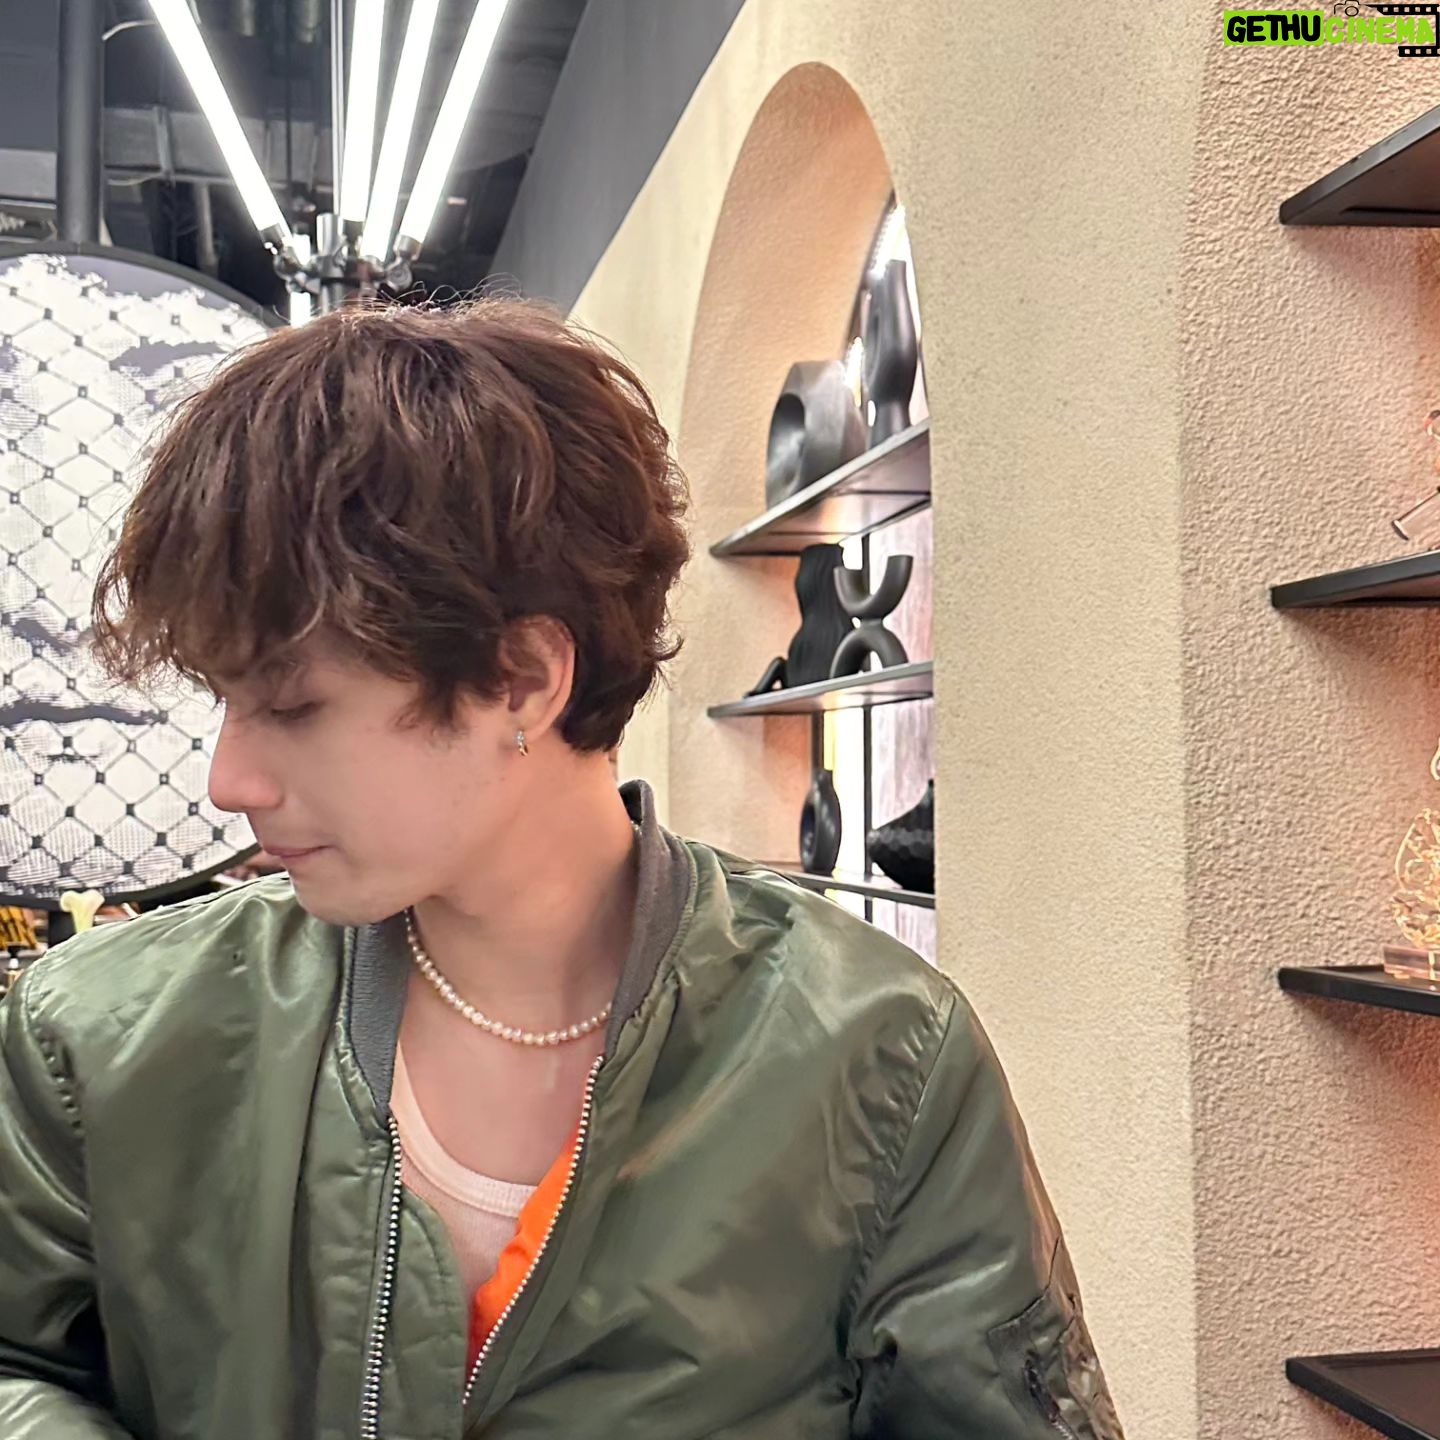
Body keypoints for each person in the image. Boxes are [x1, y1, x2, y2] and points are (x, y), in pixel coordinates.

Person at [0, 300, 1124, 1438]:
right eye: (224, 702)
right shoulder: (105, 1038)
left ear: (523, 679)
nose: (228, 780)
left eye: (292, 707)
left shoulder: (875, 1057)